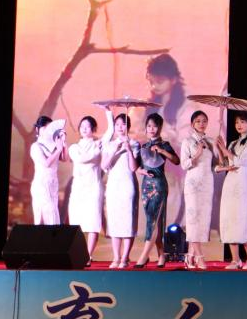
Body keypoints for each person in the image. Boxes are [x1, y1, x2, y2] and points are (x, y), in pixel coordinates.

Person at [131, 113, 180, 268]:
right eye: (149, 126)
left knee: (152, 221)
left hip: (159, 186)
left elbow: (176, 161)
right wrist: (142, 171)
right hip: (146, 186)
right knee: (154, 221)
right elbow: (136, 167)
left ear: (160, 128)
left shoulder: (164, 144)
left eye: (155, 126)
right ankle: (161, 255)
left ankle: (144, 256)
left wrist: (161, 151)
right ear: (146, 128)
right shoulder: (143, 147)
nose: (152, 129)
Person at [214, 113, 247, 269]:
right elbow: (226, 163)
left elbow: (240, 162)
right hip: (230, 182)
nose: (239, 125)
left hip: (242, 183)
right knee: (229, 219)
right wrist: (220, 149)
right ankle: (235, 259)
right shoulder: (233, 143)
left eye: (243, 122)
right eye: (237, 122)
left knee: (242, 219)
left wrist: (225, 150)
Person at [101, 110, 139, 269]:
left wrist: (128, 149)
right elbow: (104, 165)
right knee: (115, 221)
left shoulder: (135, 143)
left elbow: (133, 167)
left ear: (128, 126)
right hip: (113, 186)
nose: (120, 127)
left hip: (127, 185)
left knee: (128, 221)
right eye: (117, 124)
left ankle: (125, 257)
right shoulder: (109, 144)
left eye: (123, 124)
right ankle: (116, 257)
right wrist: (115, 150)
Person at [179, 110, 214, 270]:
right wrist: (198, 153)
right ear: (192, 124)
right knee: (193, 219)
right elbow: (184, 164)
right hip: (193, 184)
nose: (202, 124)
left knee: (202, 219)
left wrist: (220, 148)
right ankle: (199, 257)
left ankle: (190, 256)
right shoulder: (187, 141)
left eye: (204, 121)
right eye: (198, 121)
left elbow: (215, 163)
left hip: (207, 183)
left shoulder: (210, 141)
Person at [67, 116, 104, 261]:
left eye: (87, 126)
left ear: (93, 129)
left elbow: (109, 134)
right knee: (77, 222)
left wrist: (108, 114)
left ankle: (88, 255)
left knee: (93, 222)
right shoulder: (74, 148)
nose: (84, 129)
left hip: (93, 187)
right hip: (78, 188)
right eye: (82, 126)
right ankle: (79, 253)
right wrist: (96, 152)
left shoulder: (99, 144)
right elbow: (81, 159)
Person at [29, 116, 67, 225]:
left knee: (53, 215)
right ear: (37, 129)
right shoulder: (35, 146)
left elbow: (64, 158)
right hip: (41, 184)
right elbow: (46, 163)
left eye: (49, 128)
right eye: (44, 127)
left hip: (53, 183)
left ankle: (53, 235)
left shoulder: (54, 145)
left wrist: (63, 143)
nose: (47, 130)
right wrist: (58, 149)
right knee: (45, 215)